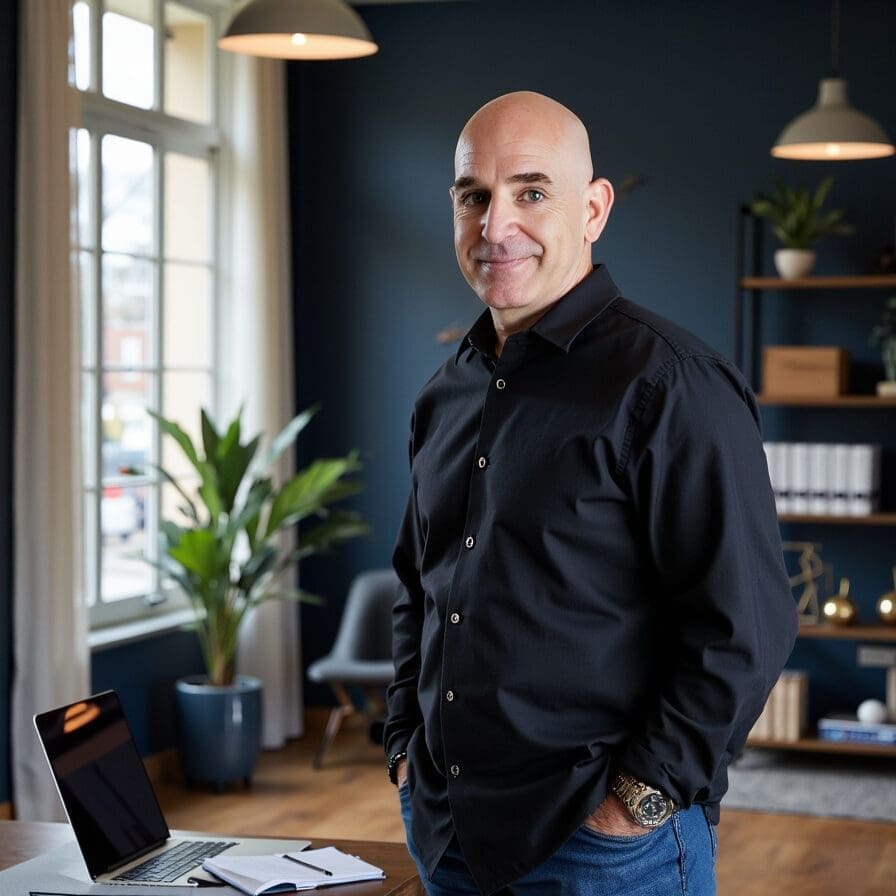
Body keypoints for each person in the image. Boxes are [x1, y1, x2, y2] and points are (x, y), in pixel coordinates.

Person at [383, 91, 797, 896]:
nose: (496, 225)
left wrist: (634, 804)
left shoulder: (673, 385)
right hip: (447, 831)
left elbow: (743, 626)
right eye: (474, 196)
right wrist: (404, 742)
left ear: (594, 208)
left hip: (603, 852)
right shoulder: (447, 392)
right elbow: (420, 586)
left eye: (531, 191)